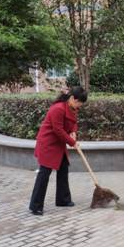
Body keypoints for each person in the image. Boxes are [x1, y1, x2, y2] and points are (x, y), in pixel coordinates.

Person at [29, 87, 88, 215]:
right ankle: (35, 206)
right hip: (48, 143)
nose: (80, 105)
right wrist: (72, 142)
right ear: (72, 98)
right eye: (79, 102)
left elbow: (73, 123)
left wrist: (73, 132)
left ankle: (63, 200)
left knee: (63, 168)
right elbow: (58, 130)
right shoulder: (58, 108)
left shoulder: (72, 108)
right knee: (44, 174)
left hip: (58, 144)